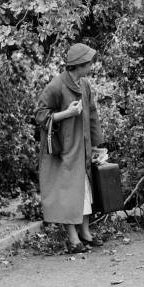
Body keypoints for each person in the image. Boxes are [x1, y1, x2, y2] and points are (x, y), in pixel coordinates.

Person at [35, 43, 105, 253]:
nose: (92, 65)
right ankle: (73, 239)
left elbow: (92, 114)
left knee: (85, 191)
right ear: (79, 65)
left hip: (82, 146)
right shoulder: (56, 85)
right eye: (89, 62)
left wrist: (97, 144)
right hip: (64, 149)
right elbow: (39, 115)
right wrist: (66, 113)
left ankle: (85, 233)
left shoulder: (84, 84)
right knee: (68, 193)